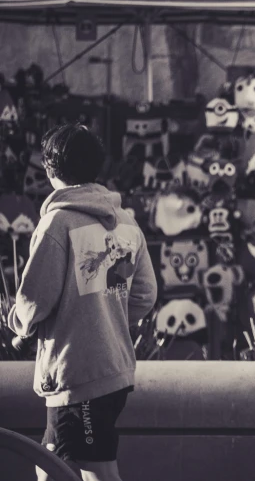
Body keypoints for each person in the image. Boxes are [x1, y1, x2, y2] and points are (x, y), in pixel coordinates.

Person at [9, 123, 158, 481]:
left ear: (49, 168)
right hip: (113, 370)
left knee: (97, 474)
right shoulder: (125, 222)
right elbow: (145, 295)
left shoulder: (57, 223)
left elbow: (34, 300)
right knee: (48, 463)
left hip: (78, 374)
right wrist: (107, 312)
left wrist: (18, 323)